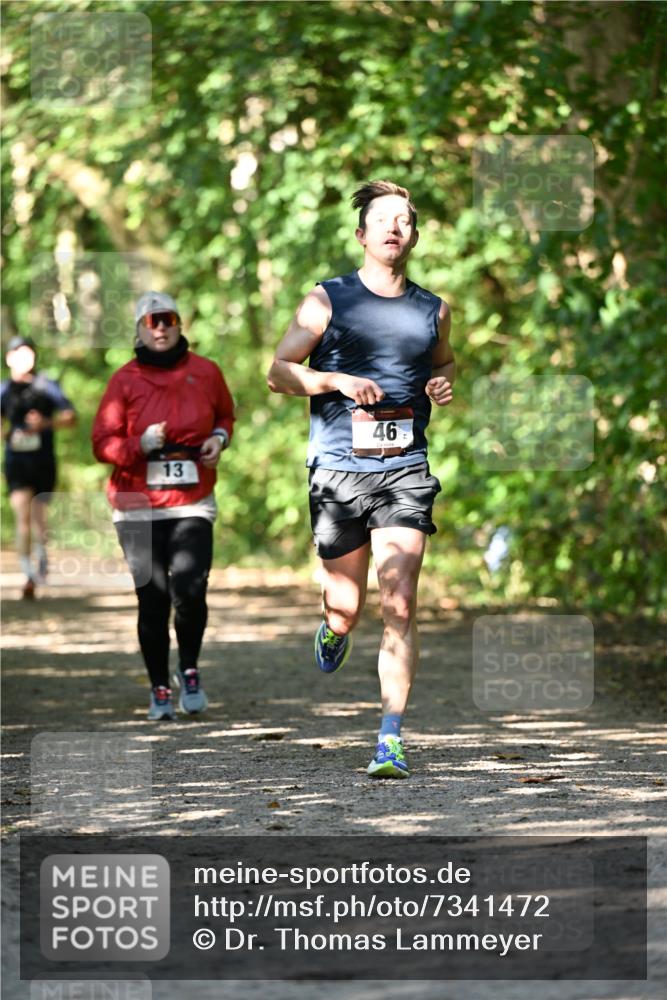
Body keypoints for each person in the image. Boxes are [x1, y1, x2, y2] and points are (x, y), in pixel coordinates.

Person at [267, 180, 455, 778]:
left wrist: (440, 384)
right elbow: (278, 372)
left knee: (399, 601)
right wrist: (337, 381)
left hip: (404, 469)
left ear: (415, 236)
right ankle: (333, 627)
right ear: (362, 235)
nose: (394, 228)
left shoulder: (434, 309)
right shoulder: (327, 300)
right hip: (338, 472)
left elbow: (443, 360)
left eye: (405, 220)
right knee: (347, 607)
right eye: (384, 220)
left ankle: (390, 737)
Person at [92, 292, 235, 720]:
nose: (159, 327)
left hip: (192, 501)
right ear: (139, 328)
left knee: (190, 591)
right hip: (136, 504)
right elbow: (101, 445)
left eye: (167, 319)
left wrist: (218, 440)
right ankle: (158, 687)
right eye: (150, 321)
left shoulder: (206, 372)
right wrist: (140, 444)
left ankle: (188, 669)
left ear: (179, 324)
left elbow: (225, 416)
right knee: (152, 599)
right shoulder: (124, 381)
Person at [1, 335, 77, 599]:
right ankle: (27, 574)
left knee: (38, 517)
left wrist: (45, 424)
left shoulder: (47, 386)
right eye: (18, 352)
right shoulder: (4, 390)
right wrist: (9, 434)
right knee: (22, 516)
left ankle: (42, 558)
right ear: (9, 358)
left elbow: (70, 417)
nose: (24, 357)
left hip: (43, 461)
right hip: (16, 461)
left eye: (28, 352)